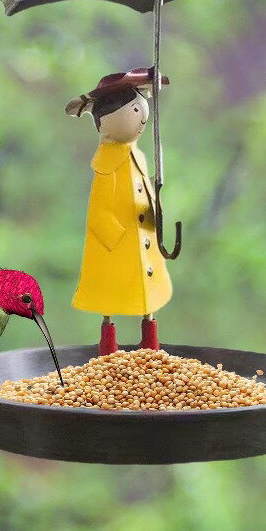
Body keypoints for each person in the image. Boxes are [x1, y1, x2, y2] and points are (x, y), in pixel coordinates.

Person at [66, 68, 173, 355]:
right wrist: (114, 239)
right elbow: (100, 209)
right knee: (111, 297)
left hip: (143, 239)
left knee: (146, 297)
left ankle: (150, 344)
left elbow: (144, 191)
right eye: (133, 111)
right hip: (118, 244)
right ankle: (108, 348)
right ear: (106, 123)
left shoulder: (136, 155)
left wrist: (154, 213)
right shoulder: (106, 163)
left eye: (142, 110)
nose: (141, 119)